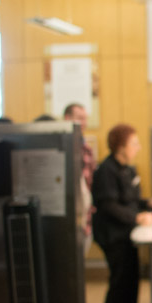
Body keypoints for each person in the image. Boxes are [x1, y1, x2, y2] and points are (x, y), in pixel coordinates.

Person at [92, 124, 152, 303]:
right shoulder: (105, 171)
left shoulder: (128, 169)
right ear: (121, 146)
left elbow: (130, 200)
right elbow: (109, 205)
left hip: (126, 235)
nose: (137, 148)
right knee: (120, 282)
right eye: (134, 143)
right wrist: (137, 218)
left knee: (130, 281)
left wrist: (148, 203)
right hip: (112, 235)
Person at [63, 103, 96, 254]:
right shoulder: (62, 148)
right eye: (80, 118)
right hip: (66, 221)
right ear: (67, 118)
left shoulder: (87, 150)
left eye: (85, 119)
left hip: (86, 220)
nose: (84, 123)